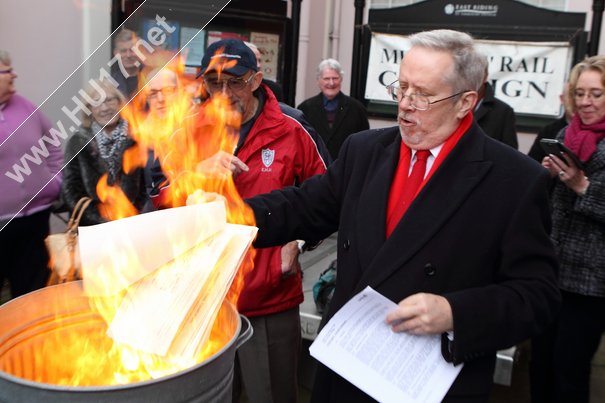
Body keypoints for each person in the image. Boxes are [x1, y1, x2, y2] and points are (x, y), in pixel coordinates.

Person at [245, 29, 560, 402]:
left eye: (423, 94)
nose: (406, 104)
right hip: (346, 367)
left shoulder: (514, 180)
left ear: (466, 102)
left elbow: (537, 296)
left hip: (428, 382)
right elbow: (303, 206)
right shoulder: (364, 151)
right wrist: (228, 214)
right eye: (402, 87)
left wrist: (455, 312)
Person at [198, 38, 328, 402]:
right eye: (213, 83)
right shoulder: (187, 129)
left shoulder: (293, 129)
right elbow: (158, 200)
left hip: (268, 296)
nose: (222, 93)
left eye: (234, 82)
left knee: (270, 394)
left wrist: (297, 241)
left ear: (256, 80)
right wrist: (194, 173)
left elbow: (328, 199)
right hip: (204, 297)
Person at [529, 55, 605, 403]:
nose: (586, 102)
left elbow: (583, 192)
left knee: (569, 370)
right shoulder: (564, 135)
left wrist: (583, 187)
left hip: (591, 283)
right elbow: (549, 203)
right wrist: (547, 177)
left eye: (596, 94)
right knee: (539, 363)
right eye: (580, 93)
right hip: (551, 271)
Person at [0, 50, 62, 298]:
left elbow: (53, 144)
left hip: (35, 219)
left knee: (32, 291)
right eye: (7, 70)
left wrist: (54, 181)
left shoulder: (25, 106)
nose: (15, 74)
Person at [61, 80, 146, 226]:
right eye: (97, 103)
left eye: (109, 100)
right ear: (90, 110)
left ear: (119, 103)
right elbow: (70, 191)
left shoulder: (138, 137)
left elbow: (147, 185)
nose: (105, 108)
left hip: (133, 224)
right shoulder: (78, 142)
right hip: (93, 228)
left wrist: (133, 215)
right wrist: (101, 220)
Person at [297, 58, 369, 160]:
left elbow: (365, 143)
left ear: (341, 79)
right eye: (326, 78)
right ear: (318, 80)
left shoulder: (357, 109)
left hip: (346, 168)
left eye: (335, 78)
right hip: (316, 168)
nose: (331, 83)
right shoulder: (305, 108)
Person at [527, 83, 573, 162]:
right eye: (571, 96)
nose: (575, 102)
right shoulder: (548, 131)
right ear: (562, 99)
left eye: (579, 95)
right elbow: (530, 164)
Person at [474, 68, 518, 149]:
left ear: (485, 76)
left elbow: (510, 152)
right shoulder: (452, 104)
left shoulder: (504, 111)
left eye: (475, 73)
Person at [111, 29, 143, 98]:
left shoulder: (154, 77)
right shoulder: (110, 84)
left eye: (132, 50)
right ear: (116, 53)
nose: (128, 55)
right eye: (123, 51)